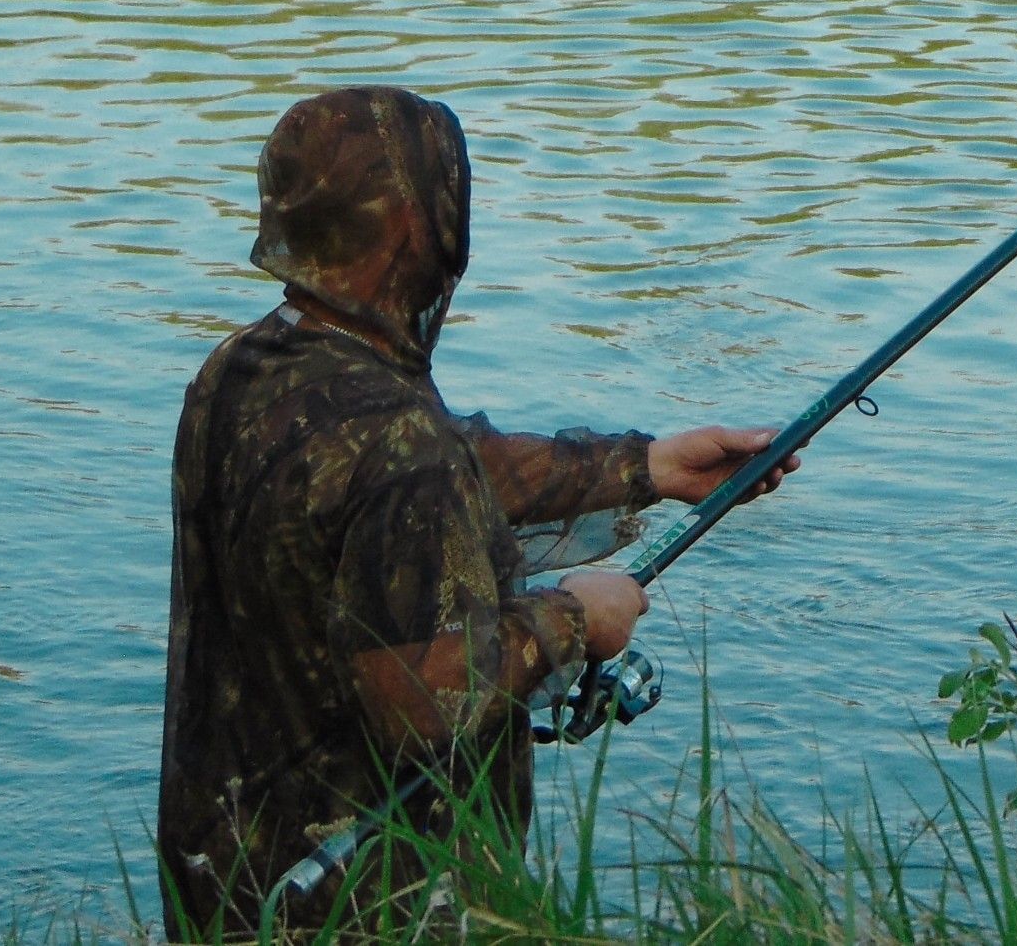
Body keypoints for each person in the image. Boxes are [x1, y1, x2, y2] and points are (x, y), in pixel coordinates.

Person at [158, 86, 796, 938]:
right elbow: (420, 699)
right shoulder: (396, 444)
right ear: (412, 227)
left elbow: (440, 469)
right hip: (361, 909)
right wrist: (574, 619)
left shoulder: (242, 374)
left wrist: (648, 466)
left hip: (223, 878)